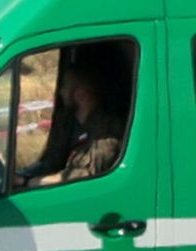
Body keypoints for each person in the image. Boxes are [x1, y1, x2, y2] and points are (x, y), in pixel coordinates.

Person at [19, 51, 127, 188]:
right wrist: (22, 175)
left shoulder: (106, 134)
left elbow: (76, 178)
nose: (60, 92)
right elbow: (51, 164)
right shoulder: (71, 124)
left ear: (81, 96)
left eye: (64, 86)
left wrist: (24, 182)